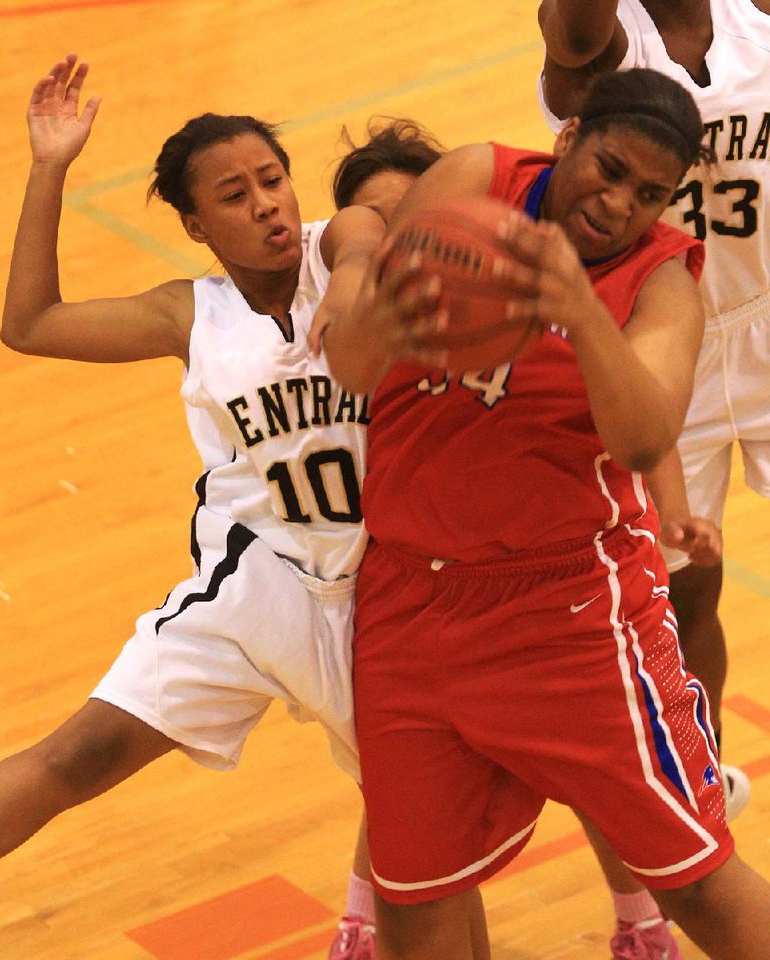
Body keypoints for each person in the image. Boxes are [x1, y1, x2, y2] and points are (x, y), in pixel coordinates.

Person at [323, 67, 770, 960]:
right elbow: (355, 365)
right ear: (567, 139)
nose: (618, 205)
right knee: (416, 896)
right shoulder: (473, 184)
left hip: (571, 612)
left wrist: (577, 313)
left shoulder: (663, 278)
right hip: (409, 602)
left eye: (649, 193)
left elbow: (645, 440)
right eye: (607, 170)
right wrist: (391, 301)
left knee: (693, 880)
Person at [0, 51, 389, 955]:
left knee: (424, 813)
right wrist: (49, 167)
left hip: (388, 594)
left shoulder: (340, 242)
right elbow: (29, 323)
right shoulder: (187, 314)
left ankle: (367, 922)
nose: (268, 204)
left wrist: (354, 284)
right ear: (198, 226)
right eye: (235, 196)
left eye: (272, 180)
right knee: (75, 758)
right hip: (261, 586)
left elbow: (360, 231)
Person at [538, 2, 770, 954]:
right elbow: (569, 36)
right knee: (684, 592)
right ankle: (699, 776)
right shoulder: (602, 35)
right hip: (662, 330)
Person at [327, 116, 443, 960]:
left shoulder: (499, 311)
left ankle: (641, 921)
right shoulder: (346, 327)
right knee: (407, 772)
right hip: (378, 584)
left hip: (496, 579)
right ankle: (362, 922)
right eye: (375, 224)